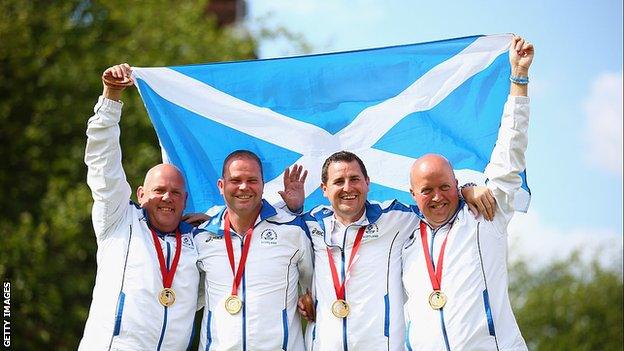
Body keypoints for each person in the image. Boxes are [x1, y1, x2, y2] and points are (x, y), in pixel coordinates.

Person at [402, 35, 533, 350]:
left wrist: (519, 79)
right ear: (412, 193)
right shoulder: (400, 235)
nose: (437, 197)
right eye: (427, 190)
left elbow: (510, 150)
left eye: (445, 187)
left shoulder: (486, 212)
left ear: (456, 183)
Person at [295, 151, 491, 351]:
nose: (348, 187)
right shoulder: (309, 224)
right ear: (324, 189)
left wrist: (466, 190)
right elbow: (280, 255)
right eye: (338, 181)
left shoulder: (396, 218)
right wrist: (302, 295)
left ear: (367, 183)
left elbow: (435, 203)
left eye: (354, 179)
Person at [79, 63, 200, 350]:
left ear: (185, 201)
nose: (167, 198)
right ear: (142, 194)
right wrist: (111, 98)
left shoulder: (200, 245)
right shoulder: (119, 220)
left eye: (175, 192)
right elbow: (103, 161)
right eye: (159, 190)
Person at [193, 150, 313, 350]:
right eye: (235, 180)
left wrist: (310, 300)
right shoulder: (201, 236)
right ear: (221, 186)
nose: (243, 187)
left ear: (263, 185)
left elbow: (315, 284)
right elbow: (185, 296)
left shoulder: (293, 231)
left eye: (252, 180)